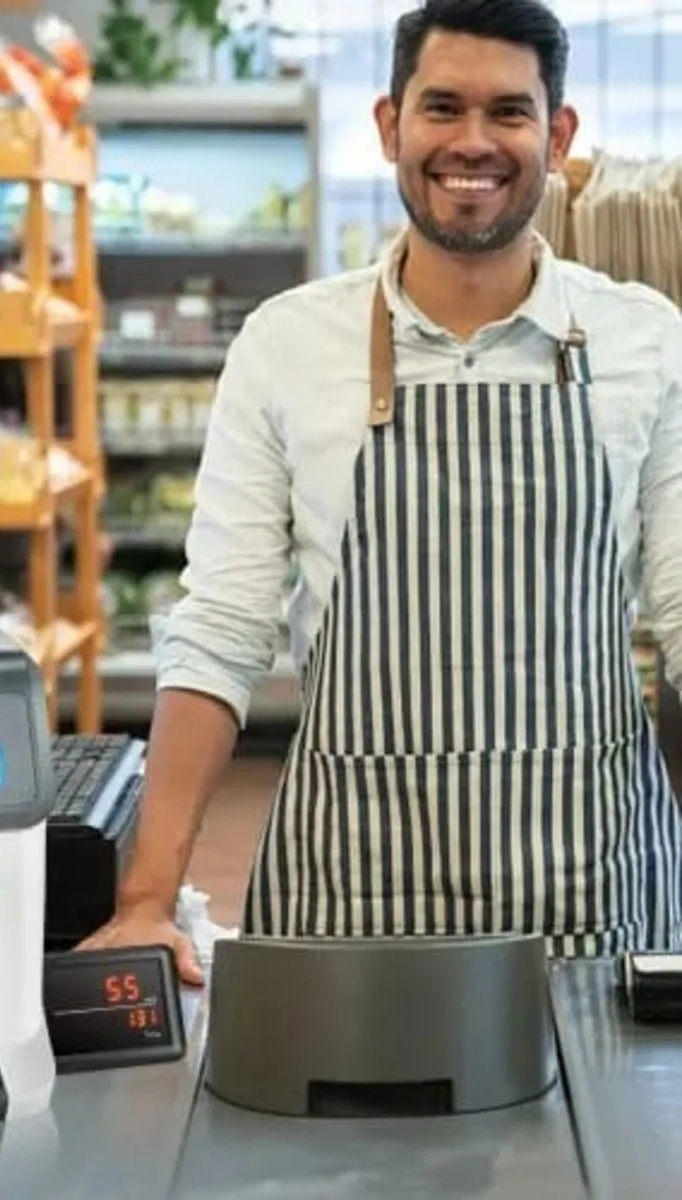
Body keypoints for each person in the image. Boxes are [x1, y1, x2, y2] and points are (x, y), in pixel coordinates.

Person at [81, 0, 682, 984]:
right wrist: (148, 900)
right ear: (390, 124)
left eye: (509, 113)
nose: (472, 143)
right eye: (441, 107)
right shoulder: (286, 344)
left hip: (595, 888)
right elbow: (223, 631)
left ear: (559, 135)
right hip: (354, 887)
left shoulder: (645, 341)